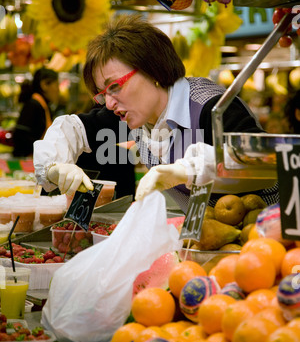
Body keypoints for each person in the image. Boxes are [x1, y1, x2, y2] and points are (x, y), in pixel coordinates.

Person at [34, 14, 278, 212]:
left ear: (152, 70)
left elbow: (266, 165)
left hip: (267, 234)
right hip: (206, 240)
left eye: (115, 86)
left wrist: (185, 170)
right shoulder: (133, 117)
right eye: (102, 93)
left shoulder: (211, 106)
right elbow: (73, 128)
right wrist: (55, 166)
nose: (108, 103)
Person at [13, 67, 60, 157]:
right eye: (56, 85)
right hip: (28, 163)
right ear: (44, 85)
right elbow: (21, 136)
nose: (58, 90)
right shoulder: (33, 105)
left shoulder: (43, 106)